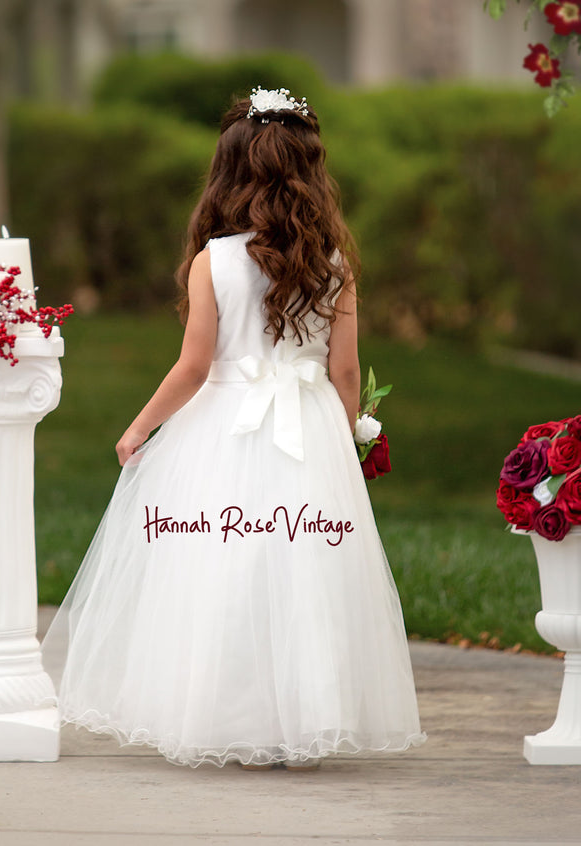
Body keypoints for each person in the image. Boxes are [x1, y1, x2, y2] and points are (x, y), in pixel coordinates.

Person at [40, 86, 427, 771]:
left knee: (219, 568)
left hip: (224, 429)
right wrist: (344, 446)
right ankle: (295, 720)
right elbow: (344, 374)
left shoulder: (213, 262)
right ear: (310, 175)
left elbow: (194, 368)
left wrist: (140, 429)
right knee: (302, 571)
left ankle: (225, 715)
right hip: (304, 429)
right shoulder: (333, 265)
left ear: (229, 175)